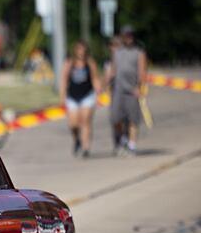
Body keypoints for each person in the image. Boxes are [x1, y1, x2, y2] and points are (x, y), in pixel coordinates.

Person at [105, 26, 147, 155]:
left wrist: (139, 88)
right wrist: (103, 85)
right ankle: (123, 139)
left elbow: (142, 71)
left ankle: (132, 145)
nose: (129, 38)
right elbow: (112, 70)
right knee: (115, 118)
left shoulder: (139, 53)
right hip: (118, 89)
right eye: (126, 35)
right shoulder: (117, 53)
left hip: (132, 90)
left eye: (131, 35)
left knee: (133, 119)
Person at [60, 41, 100, 158]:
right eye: (79, 49)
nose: (81, 52)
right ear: (75, 50)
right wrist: (62, 96)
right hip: (72, 96)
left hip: (87, 96)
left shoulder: (90, 63)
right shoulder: (70, 63)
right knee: (73, 124)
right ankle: (77, 139)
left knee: (85, 121)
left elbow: (94, 78)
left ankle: (85, 147)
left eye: (83, 50)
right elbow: (64, 79)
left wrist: (98, 91)